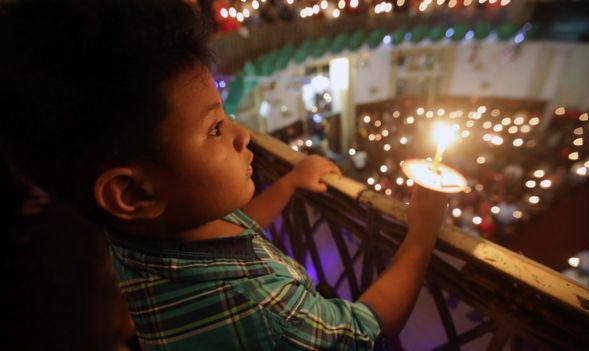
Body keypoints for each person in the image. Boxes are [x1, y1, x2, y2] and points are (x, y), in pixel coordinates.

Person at [0, 0, 448, 349]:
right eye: (215, 127)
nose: (242, 135)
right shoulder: (263, 307)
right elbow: (361, 331)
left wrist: (289, 184)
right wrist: (422, 233)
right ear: (132, 192)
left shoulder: (146, 236)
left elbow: (240, 224)